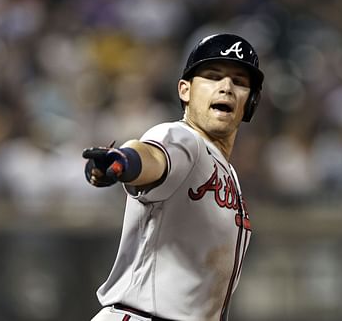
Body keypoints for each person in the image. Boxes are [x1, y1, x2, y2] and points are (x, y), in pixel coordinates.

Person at [83, 33, 264, 321]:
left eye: (239, 82)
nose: (226, 87)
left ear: (251, 102)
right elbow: (153, 155)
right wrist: (124, 162)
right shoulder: (183, 138)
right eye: (213, 76)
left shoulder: (228, 172)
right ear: (185, 90)